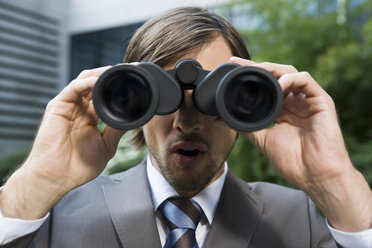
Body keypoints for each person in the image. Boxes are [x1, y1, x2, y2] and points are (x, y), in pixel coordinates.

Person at [0, 6, 371, 248]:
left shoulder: (302, 219)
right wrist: (37, 183)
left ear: (247, 102)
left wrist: (334, 181)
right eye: (164, 95)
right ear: (130, 103)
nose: (186, 121)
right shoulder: (54, 213)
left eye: (213, 97)